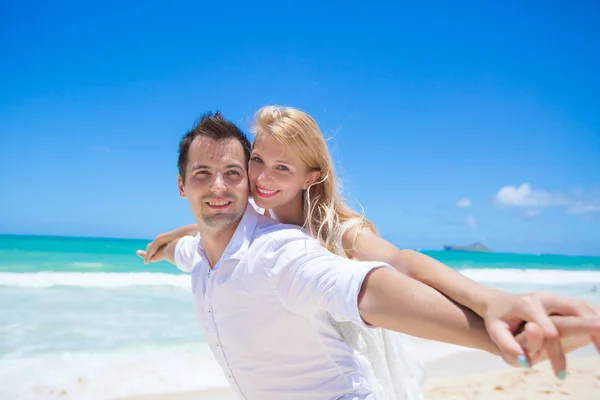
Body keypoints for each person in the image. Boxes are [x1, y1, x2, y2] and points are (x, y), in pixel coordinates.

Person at [139, 110, 600, 399]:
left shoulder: (331, 233)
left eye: (282, 168)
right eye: (258, 161)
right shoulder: (250, 212)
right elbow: (214, 228)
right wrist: (173, 239)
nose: (261, 177)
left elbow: (403, 267)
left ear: (311, 177)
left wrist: (490, 303)